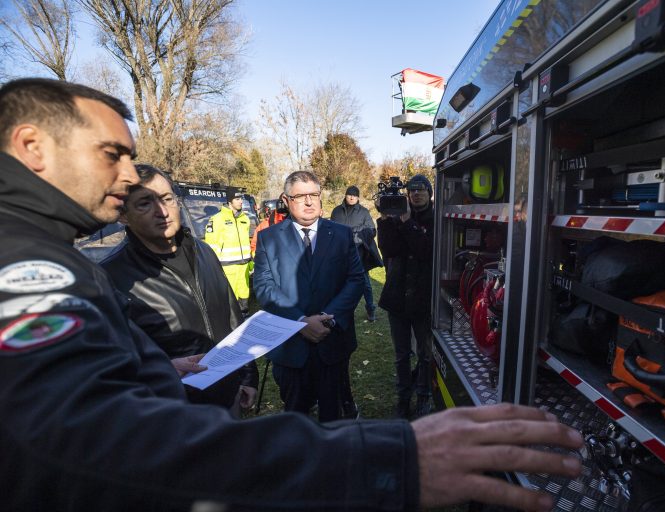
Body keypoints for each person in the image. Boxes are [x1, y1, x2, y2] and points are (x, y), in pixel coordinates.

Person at [0, 77, 584, 512]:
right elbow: (90, 448)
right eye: (112, 155)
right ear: (32, 147)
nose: (130, 177)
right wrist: (389, 459)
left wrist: (157, 365)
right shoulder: (24, 267)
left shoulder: (49, 250)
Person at [101, 164, 258, 414]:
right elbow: (106, 366)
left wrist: (247, 376)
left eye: (166, 198)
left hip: (229, 399)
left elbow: (232, 317)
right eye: (144, 203)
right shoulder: (110, 277)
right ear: (122, 215)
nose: (162, 211)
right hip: (172, 416)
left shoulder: (204, 251)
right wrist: (163, 370)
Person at [253, 171, 363, 422]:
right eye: (301, 196)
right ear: (286, 199)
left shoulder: (342, 234)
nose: (310, 202)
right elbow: (264, 286)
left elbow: (355, 279)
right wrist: (300, 321)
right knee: (295, 420)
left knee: (333, 419)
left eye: (314, 194)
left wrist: (328, 318)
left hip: (332, 342)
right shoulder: (268, 238)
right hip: (290, 346)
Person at [377, 174, 435, 419]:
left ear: (429, 193)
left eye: (422, 189)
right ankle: (403, 397)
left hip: (423, 298)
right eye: (412, 190)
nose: (417, 193)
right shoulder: (395, 216)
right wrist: (386, 220)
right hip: (398, 296)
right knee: (402, 354)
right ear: (407, 194)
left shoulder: (436, 218)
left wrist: (409, 223)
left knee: (425, 353)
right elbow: (389, 250)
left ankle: (423, 395)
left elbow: (425, 251)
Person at [330, 185, 383, 321]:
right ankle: (343, 310)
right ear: (346, 195)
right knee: (340, 284)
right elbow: (331, 231)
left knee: (365, 284)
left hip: (360, 255)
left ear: (358, 197)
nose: (352, 197)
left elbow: (371, 230)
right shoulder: (336, 211)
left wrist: (352, 235)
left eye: (354, 195)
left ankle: (370, 309)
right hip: (340, 255)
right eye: (349, 195)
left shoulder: (364, 212)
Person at [204, 187, 252, 314]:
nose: (241, 201)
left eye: (241, 198)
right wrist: (214, 267)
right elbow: (212, 246)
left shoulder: (245, 219)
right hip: (228, 267)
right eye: (237, 199)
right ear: (230, 201)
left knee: (244, 294)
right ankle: (232, 323)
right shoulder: (217, 219)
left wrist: (250, 261)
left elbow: (246, 242)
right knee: (230, 298)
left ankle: (245, 316)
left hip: (244, 266)